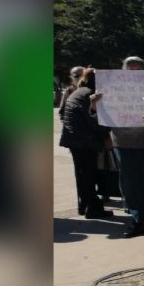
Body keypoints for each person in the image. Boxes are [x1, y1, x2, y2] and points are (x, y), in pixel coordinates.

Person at [93, 56, 144, 237]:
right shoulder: (111, 88)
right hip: (124, 144)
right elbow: (99, 119)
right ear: (124, 72)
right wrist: (94, 105)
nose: (135, 73)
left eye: (139, 69)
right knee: (131, 185)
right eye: (131, 70)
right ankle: (137, 221)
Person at [58, 68, 113, 219]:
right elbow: (94, 120)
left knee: (82, 175)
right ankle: (93, 208)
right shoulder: (89, 94)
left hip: (76, 139)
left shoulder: (80, 91)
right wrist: (106, 135)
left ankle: (85, 206)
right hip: (84, 141)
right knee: (88, 176)